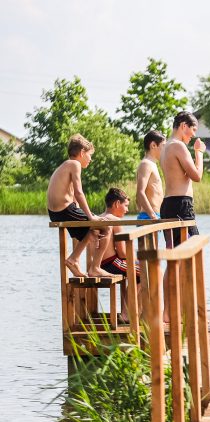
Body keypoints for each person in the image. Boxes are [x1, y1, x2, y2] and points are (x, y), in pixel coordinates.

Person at [46, 134, 108, 277]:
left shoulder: (65, 165)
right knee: (106, 226)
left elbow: (73, 195)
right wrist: (91, 217)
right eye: (89, 155)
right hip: (65, 210)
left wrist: (90, 217)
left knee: (92, 231)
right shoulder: (75, 164)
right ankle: (92, 266)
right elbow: (79, 193)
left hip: (55, 212)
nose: (91, 159)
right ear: (81, 153)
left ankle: (75, 259)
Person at [160, 112, 205, 247]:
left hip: (168, 205)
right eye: (193, 130)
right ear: (184, 126)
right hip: (181, 206)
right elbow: (197, 176)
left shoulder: (165, 146)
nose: (194, 135)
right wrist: (199, 153)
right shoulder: (178, 145)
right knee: (194, 250)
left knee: (175, 254)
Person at [99, 188, 141, 321]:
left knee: (136, 271)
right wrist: (136, 259)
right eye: (126, 206)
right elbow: (123, 253)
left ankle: (129, 312)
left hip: (101, 264)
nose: (127, 210)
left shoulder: (99, 217)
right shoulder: (114, 220)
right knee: (145, 273)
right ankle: (127, 314)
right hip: (111, 263)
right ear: (117, 203)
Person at [136, 130, 165, 220]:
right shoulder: (146, 164)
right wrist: (153, 216)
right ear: (153, 145)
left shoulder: (153, 164)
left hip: (155, 216)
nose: (165, 149)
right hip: (149, 217)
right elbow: (140, 192)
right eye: (163, 146)